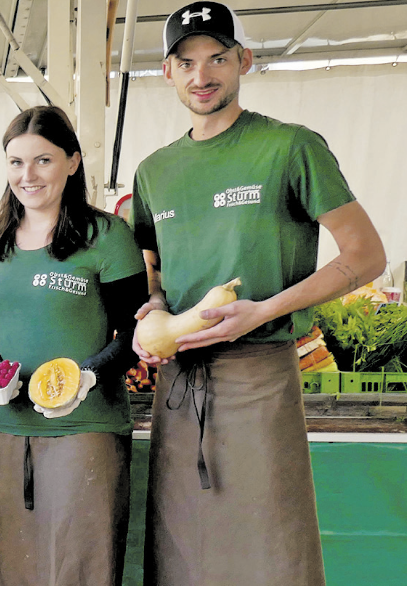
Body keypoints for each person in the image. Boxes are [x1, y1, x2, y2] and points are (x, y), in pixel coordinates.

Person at [130, 2, 387, 584]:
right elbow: (152, 269)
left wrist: (263, 311)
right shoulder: (154, 171)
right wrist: (156, 314)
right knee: (183, 547)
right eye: (186, 62)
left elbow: (366, 255)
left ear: (244, 60)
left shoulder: (291, 147)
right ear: (166, 73)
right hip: (181, 381)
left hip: (261, 373)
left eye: (217, 57)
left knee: (271, 543)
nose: (202, 75)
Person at [0, 106, 148, 585]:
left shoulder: (107, 236)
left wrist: (89, 377)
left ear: (72, 161)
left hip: (86, 429)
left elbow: (134, 334)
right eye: (16, 162)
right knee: (8, 565)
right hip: (2, 430)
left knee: (78, 564)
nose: (28, 175)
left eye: (43, 160)